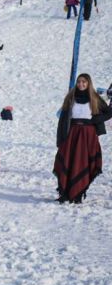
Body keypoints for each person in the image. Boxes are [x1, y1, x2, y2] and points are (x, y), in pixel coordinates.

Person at [54, 73, 112, 204]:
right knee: (68, 160)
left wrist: (95, 120)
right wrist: (61, 137)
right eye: (79, 82)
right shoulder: (70, 97)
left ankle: (78, 193)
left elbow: (109, 112)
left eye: (84, 82)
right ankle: (65, 192)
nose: (81, 84)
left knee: (83, 162)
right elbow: (63, 118)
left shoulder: (95, 98)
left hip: (88, 135)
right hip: (72, 133)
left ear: (88, 83)